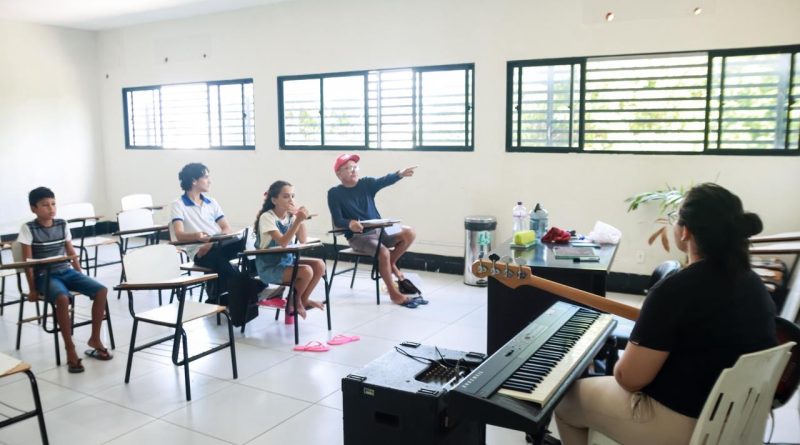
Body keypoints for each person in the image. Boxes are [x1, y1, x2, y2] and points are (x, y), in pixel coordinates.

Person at [554, 183, 777, 445]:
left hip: (685, 425)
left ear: (686, 232)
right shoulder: (753, 283)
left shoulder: (676, 289)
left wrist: (619, 365)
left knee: (565, 400)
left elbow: (629, 379)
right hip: (738, 418)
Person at [19, 187, 112, 373]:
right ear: (33, 209)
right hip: (44, 276)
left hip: (66, 271)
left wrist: (80, 273)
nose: (51, 208)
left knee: (101, 290)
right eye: (45, 205)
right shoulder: (28, 228)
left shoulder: (62, 224)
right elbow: (27, 262)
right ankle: (70, 348)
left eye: (53, 204)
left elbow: (70, 252)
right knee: (62, 299)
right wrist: (32, 289)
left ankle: (95, 339)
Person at [327, 153, 425, 308]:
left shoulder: (366, 183)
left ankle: (390, 263)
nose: (354, 170)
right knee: (383, 252)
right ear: (339, 174)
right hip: (359, 237)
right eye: (349, 168)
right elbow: (338, 219)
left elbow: (383, 180)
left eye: (355, 167)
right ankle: (394, 294)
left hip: (381, 230)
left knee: (409, 232)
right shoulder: (334, 193)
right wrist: (350, 223)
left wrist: (399, 174)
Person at [254, 181, 326, 324]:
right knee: (306, 271)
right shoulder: (267, 217)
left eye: (292, 196)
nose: (291, 200)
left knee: (319, 265)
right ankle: (294, 301)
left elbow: (303, 239)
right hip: (270, 267)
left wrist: (300, 219)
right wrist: (297, 221)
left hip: (287, 262)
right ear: (274, 200)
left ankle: (303, 299)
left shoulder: (290, 217)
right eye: (286, 196)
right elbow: (283, 242)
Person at [170, 163, 243, 303]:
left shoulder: (212, 202)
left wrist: (212, 242)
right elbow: (179, 234)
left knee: (245, 247)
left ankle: (222, 298)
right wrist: (196, 236)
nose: (210, 181)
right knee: (223, 264)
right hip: (199, 252)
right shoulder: (178, 204)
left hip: (216, 244)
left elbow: (226, 228)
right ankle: (235, 295)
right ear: (194, 181)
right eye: (206, 177)